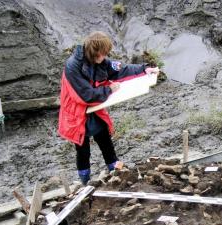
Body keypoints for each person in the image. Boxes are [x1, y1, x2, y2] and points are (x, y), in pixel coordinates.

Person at [58, 31, 159, 185]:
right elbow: (86, 95)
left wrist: (144, 69)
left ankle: (115, 174)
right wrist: (109, 90)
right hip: (77, 113)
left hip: (95, 108)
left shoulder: (100, 61)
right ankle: (85, 183)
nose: (105, 57)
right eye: (103, 54)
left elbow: (120, 69)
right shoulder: (73, 67)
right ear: (94, 52)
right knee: (83, 151)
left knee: (105, 140)